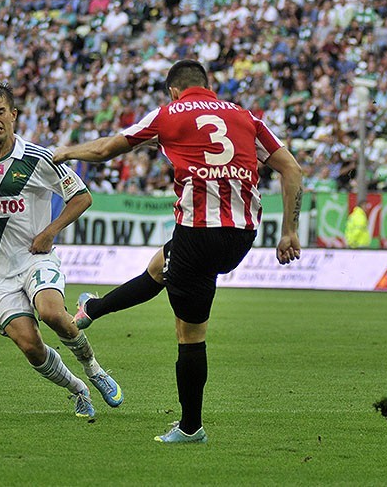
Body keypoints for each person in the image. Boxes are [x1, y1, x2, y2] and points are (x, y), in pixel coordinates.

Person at [53, 59, 303, 441]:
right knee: (159, 268)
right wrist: (289, 232)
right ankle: (92, 309)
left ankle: (190, 427)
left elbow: (105, 149)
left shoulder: (168, 114)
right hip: (241, 236)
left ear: (173, 90)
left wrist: (68, 151)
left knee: (190, 335)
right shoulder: (246, 117)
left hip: (198, 232)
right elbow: (292, 170)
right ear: (209, 85)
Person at [0, 82, 123, 419]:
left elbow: (82, 197)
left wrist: (50, 232)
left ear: (14, 115)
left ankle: (94, 369)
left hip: (35, 258)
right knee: (30, 346)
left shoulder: (39, 158)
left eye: (0, 112)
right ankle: (77, 388)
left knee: (52, 313)